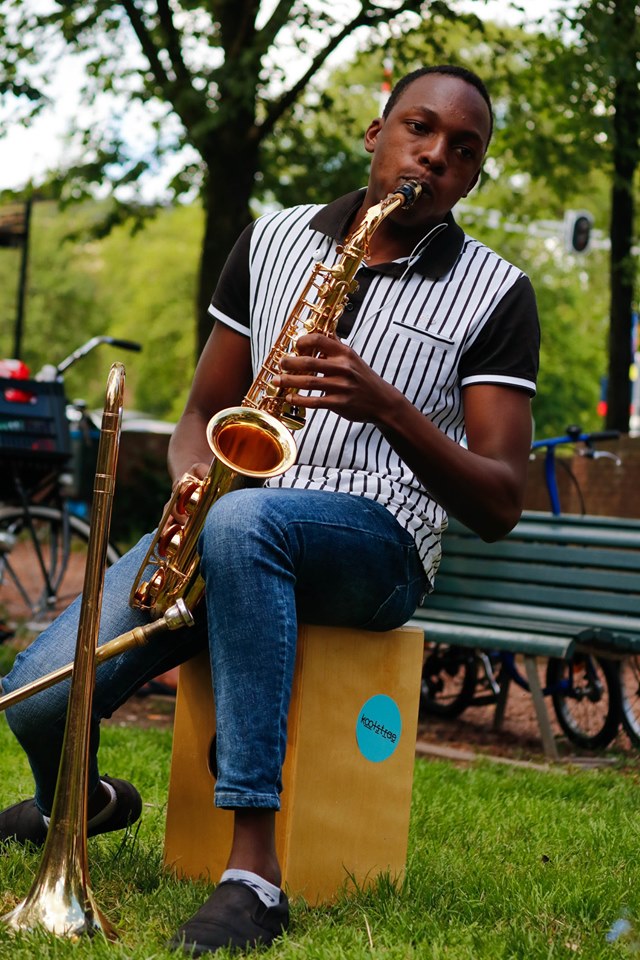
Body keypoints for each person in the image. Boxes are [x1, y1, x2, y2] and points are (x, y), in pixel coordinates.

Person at [0, 64, 539, 954]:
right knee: (37, 695)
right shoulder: (272, 239)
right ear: (376, 135)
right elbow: (200, 414)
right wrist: (193, 485)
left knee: (248, 525)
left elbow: (501, 500)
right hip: (232, 517)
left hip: (381, 544)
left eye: (463, 147)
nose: (436, 154)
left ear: (474, 175)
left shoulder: (497, 291)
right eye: (418, 128)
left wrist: (388, 407)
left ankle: (253, 872)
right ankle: (84, 802)